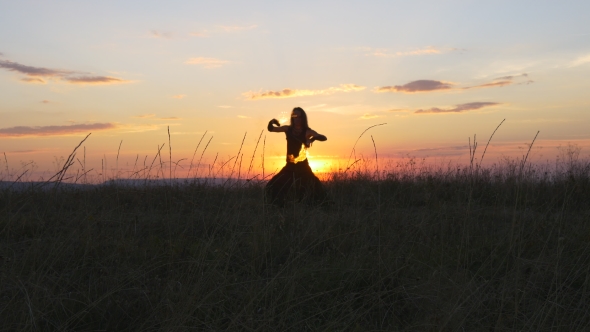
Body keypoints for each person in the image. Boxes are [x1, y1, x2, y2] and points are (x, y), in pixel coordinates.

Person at [266, 107, 327, 207]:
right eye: (295, 116)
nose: (297, 119)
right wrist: (272, 121)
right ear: (292, 117)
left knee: (313, 188)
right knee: (273, 185)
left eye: (299, 117)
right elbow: (271, 129)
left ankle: (316, 206)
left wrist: (312, 139)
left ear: (303, 118)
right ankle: (278, 206)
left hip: (303, 167)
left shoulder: (307, 131)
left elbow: (323, 137)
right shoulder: (287, 129)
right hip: (290, 166)